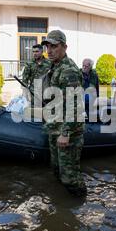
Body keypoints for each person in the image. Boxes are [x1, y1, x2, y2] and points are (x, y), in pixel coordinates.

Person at [41, 30, 86, 197]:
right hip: (55, 126)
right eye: (47, 46)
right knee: (56, 170)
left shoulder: (69, 70)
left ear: (64, 47)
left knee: (70, 177)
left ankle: (81, 204)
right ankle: (62, 208)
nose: (50, 50)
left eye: (54, 46)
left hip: (68, 130)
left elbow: (75, 105)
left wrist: (65, 133)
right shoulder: (54, 66)